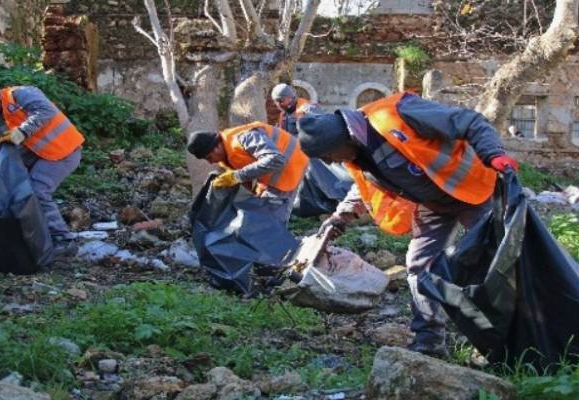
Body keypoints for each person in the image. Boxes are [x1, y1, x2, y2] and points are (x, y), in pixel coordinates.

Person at [296, 92, 518, 358]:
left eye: (328, 155)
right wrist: (341, 216)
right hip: (433, 203)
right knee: (419, 265)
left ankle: (516, 334)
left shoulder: (398, 114)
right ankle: (429, 341)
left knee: (497, 260)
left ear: (343, 139)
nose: (330, 162)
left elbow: (469, 121)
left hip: (475, 189)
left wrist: (493, 154)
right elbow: (363, 187)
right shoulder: (356, 155)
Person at [0, 75, 84, 257]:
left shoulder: (21, 95)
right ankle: (34, 238)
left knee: (37, 191)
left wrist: (22, 131)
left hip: (63, 151)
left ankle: (63, 240)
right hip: (37, 156)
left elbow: (45, 110)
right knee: (16, 194)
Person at [186, 122, 309, 224]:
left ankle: (281, 250)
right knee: (260, 213)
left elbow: (276, 159)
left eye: (209, 157)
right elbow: (248, 178)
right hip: (276, 174)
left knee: (269, 222)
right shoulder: (227, 156)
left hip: (293, 166)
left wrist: (237, 176)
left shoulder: (245, 138)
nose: (210, 162)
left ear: (216, 147)